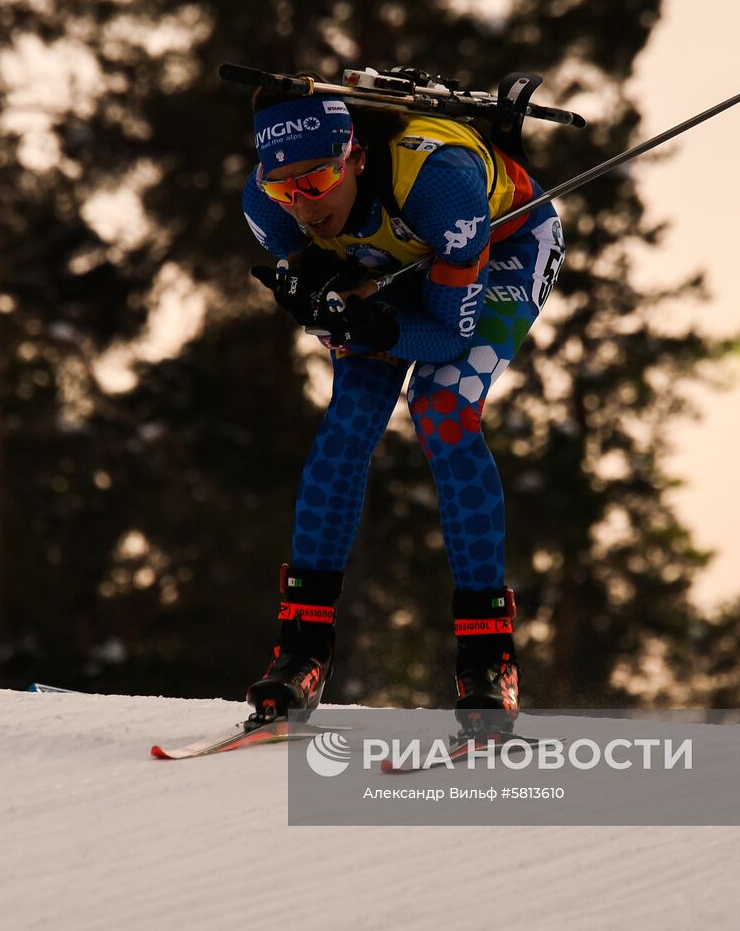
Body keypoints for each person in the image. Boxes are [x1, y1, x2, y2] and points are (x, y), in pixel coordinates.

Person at [240, 80, 565, 732]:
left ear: (356, 156)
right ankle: (300, 652)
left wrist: (372, 327)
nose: (304, 204)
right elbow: (321, 284)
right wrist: (318, 303)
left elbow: (447, 332)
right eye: (286, 188)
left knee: (441, 407)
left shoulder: (439, 188)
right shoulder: (267, 207)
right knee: (352, 417)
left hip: (496, 247)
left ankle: (488, 661)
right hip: (396, 263)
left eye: (318, 180)